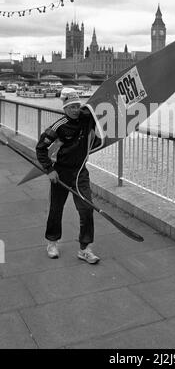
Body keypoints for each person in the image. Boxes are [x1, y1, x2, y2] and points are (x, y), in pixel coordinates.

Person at [36, 87, 102, 264]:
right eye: (71, 107)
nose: (75, 110)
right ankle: (52, 242)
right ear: (64, 108)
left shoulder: (87, 117)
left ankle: (85, 249)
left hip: (80, 172)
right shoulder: (58, 127)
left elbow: (101, 111)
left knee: (87, 208)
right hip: (61, 173)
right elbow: (40, 149)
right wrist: (50, 170)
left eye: (77, 106)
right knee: (56, 209)